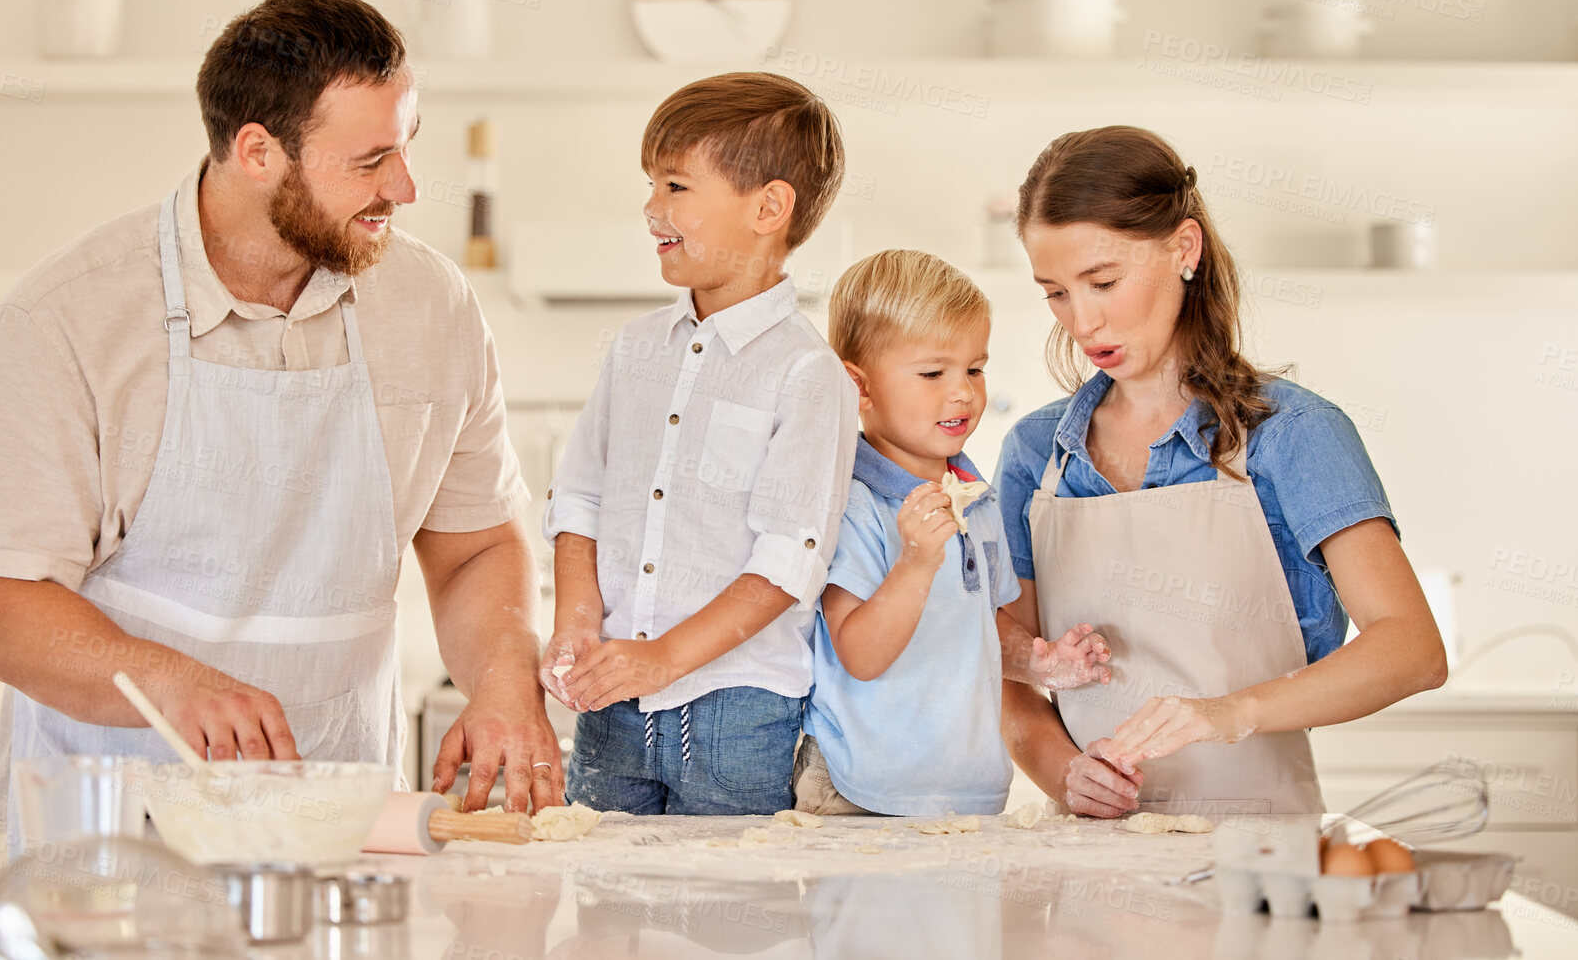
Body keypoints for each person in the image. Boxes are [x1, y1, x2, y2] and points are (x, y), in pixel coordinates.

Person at [0, 0, 560, 850]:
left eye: (406, 145)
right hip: (117, 832)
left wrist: (501, 681)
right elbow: (1, 608)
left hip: (342, 823)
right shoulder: (68, 321)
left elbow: (477, 546)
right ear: (257, 151)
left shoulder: (429, 307)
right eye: (370, 159)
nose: (406, 187)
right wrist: (171, 683)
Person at [998, 125, 1448, 818]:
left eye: (1103, 281)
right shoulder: (1037, 452)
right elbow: (1011, 667)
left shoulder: (1291, 433)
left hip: (1255, 852)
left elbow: (1411, 647)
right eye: (1054, 292)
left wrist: (1228, 712)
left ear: (1184, 247)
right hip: (1088, 855)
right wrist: (1064, 773)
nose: (1081, 321)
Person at [539, 72, 858, 815]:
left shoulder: (807, 373)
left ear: (768, 207)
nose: (652, 207)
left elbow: (789, 561)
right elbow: (578, 499)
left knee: (728, 919)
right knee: (606, 911)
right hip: (610, 706)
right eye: (651, 184)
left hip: (736, 713)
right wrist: (575, 623)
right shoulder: (633, 349)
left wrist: (663, 658)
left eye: (676, 185)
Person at [793, 250, 1110, 817]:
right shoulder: (853, 502)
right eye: (933, 373)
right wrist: (915, 562)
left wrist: (1038, 661)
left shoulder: (976, 498)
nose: (962, 392)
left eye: (975, 368)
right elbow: (860, 654)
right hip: (860, 791)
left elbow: (984, 620)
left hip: (964, 791)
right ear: (858, 388)